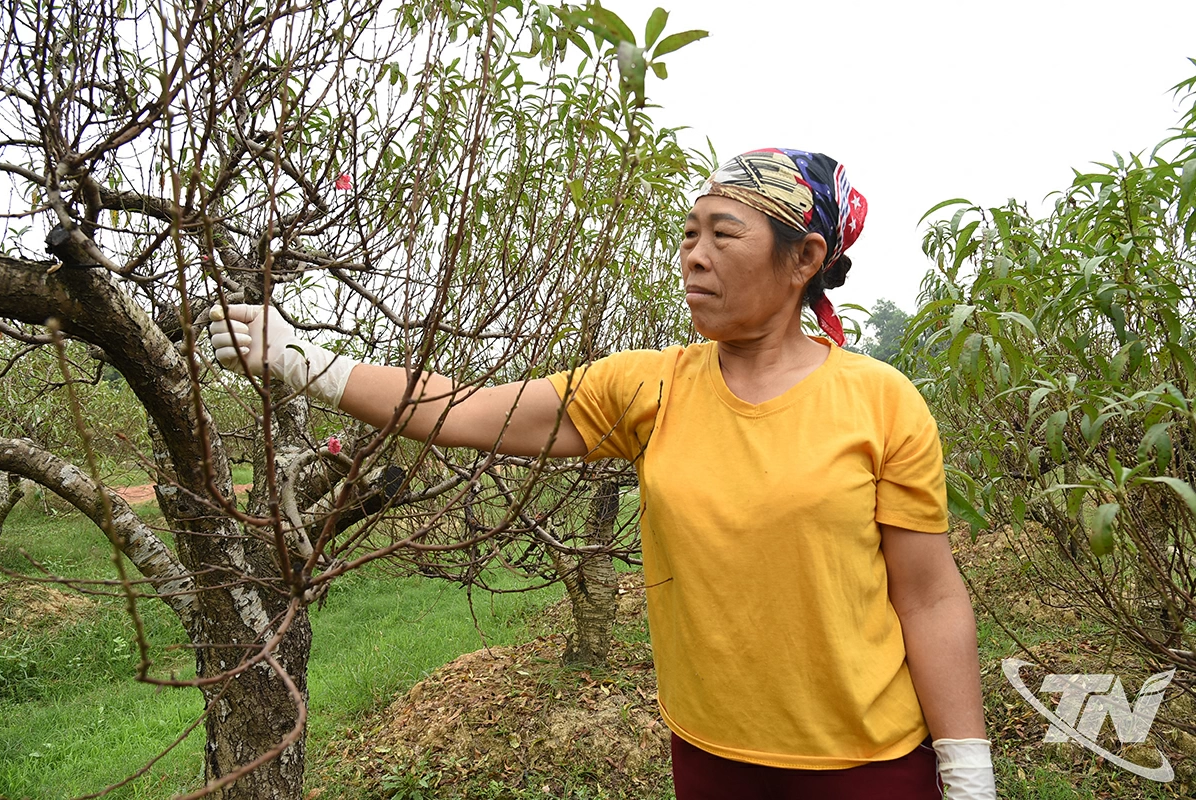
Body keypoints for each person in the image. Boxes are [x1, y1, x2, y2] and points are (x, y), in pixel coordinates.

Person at [210, 147, 996, 799]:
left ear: (806, 259)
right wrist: (306, 360)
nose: (694, 255)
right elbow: (470, 409)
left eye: (724, 235)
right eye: (689, 234)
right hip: (712, 758)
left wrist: (967, 768)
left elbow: (927, 597)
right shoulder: (649, 387)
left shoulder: (880, 403)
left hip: (865, 766)